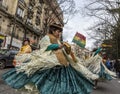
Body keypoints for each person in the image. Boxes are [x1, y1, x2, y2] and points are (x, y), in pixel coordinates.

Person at [2, 23, 98, 94]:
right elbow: (44, 48)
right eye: (58, 31)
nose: (59, 33)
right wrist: (56, 46)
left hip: (62, 66)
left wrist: (68, 50)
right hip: (50, 65)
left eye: (60, 32)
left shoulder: (58, 40)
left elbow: (63, 51)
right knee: (45, 87)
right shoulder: (46, 38)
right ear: (53, 31)